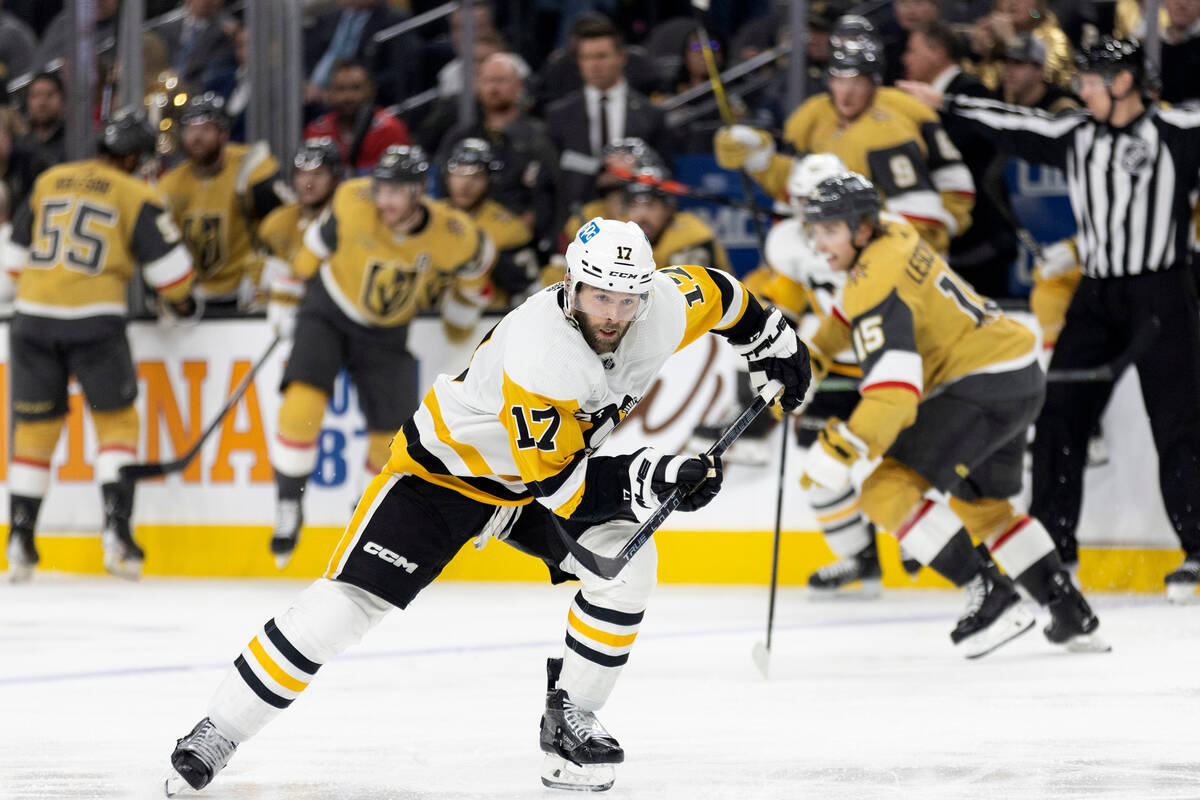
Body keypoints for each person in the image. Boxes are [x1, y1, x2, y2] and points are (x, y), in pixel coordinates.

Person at [164, 216, 812, 795]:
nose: (614, 313)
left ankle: (571, 720)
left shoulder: (662, 306)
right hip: (443, 478)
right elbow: (567, 489)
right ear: (571, 286)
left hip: (533, 481)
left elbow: (723, 296)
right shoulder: (544, 355)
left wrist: (771, 342)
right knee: (344, 610)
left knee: (627, 566)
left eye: (627, 299)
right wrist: (657, 474)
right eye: (599, 296)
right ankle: (215, 732)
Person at [900, 37, 1200, 603]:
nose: (1081, 91)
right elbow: (1012, 124)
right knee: (1059, 414)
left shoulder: (1178, 131)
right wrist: (947, 105)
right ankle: (1054, 548)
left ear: (1126, 82)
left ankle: (1198, 549)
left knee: (1179, 422)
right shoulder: (1075, 135)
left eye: (1092, 81)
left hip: (1163, 293)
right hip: (1096, 294)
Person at [800, 172, 1108, 655]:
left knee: (884, 491)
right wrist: (811, 354)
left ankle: (995, 598)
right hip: (1019, 373)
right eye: (813, 230)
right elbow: (850, 311)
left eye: (829, 230)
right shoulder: (896, 230)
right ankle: (1068, 611)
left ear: (862, 228)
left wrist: (842, 447)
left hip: (979, 385)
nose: (818, 244)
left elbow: (894, 395)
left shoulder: (873, 281)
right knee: (985, 509)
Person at [266, 144, 495, 568]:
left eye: (394, 192)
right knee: (301, 406)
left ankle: (362, 515)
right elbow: (316, 244)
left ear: (417, 193)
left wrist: (462, 310)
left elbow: (479, 262)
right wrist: (287, 289)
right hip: (328, 311)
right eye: (380, 189)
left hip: (388, 333)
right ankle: (287, 507)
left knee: (390, 442)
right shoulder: (353, 201)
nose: (383, 200)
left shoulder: (452, 233)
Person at [2, 110, 196, 583]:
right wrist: (182, 305)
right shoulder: (135, 194)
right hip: (95, 324)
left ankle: (20, 542)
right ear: (132, 157)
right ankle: (117, 536)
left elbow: (10, 265)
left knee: (35, 430)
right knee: (116, 424)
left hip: (31, 320)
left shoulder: (50, 179)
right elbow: (174, 279)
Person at [751, 154, 923, 594]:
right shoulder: (789, 242)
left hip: (892, 361)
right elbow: (785, 306)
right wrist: (776, 360)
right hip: (836, 366)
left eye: (821, 199)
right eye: (804, 202)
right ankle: (858, 557)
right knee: (818, 464)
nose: (813, 212)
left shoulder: (888, 233)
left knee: (906, 458)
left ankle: (922, 537)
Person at [715, 21, 975, 256]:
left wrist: (935, 235)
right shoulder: (812, 118)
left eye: (857, 82)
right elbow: (799, 188)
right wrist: (760, 159)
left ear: (873, 83)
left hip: (883, 252)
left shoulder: (891, 128)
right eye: (839, 81)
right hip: (834, 249)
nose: (846, 95)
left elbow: (922, 215)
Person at [903, 21, 1018, 299]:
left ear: (937, 52)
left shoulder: (971, 93)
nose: (905, 58)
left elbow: (949, 146)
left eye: (912, 50)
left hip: (982, 244)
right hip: (954, 244)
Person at [159, 93, 292, 309]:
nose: (196, 136)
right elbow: (161, 243)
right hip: (195, 293)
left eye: (205, 128)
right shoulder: (171, 183)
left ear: (223, 133)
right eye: (190, 129)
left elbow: (287, 221)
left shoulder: (252, 166)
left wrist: (275, 269)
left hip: (248, 290)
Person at [544, 14, 674, 218]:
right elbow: (551, 178)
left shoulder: (651, 114)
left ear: (621, 58)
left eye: (601, 56)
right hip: (577, 223)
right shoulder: (558, 115)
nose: (593, 65)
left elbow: (666, 173)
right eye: (586, 57)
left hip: (637, 221)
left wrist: (637, 169)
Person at [257, 137, 343, 339]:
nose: (308, 183)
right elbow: (259, 290)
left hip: (335, 322)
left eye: (318, 174)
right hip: (281, 322)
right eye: (301, 174)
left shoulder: (347, 222)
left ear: (335, 178)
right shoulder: (275, 223)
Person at [440, 137, 538, 306]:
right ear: (447, 176)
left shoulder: (510, 229)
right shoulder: (430, 217)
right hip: (426, 314)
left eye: (476, 176)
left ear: (489, 180)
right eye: (459, 174)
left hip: (490, 317)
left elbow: (526, 288)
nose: (465, 184)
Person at [302, 59, 412, 174]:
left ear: (371, 90)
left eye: (356, 88)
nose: (348, 97)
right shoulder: (316, 132)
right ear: (329, 92)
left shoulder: (391, 130)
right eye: (340, 89)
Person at [622, 166, 731, 272]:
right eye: (633, 206)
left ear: (668, 208)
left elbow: (698, 289)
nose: (642, 215)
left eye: (650, 206)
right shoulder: (620, 233)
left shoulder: (690, 235)